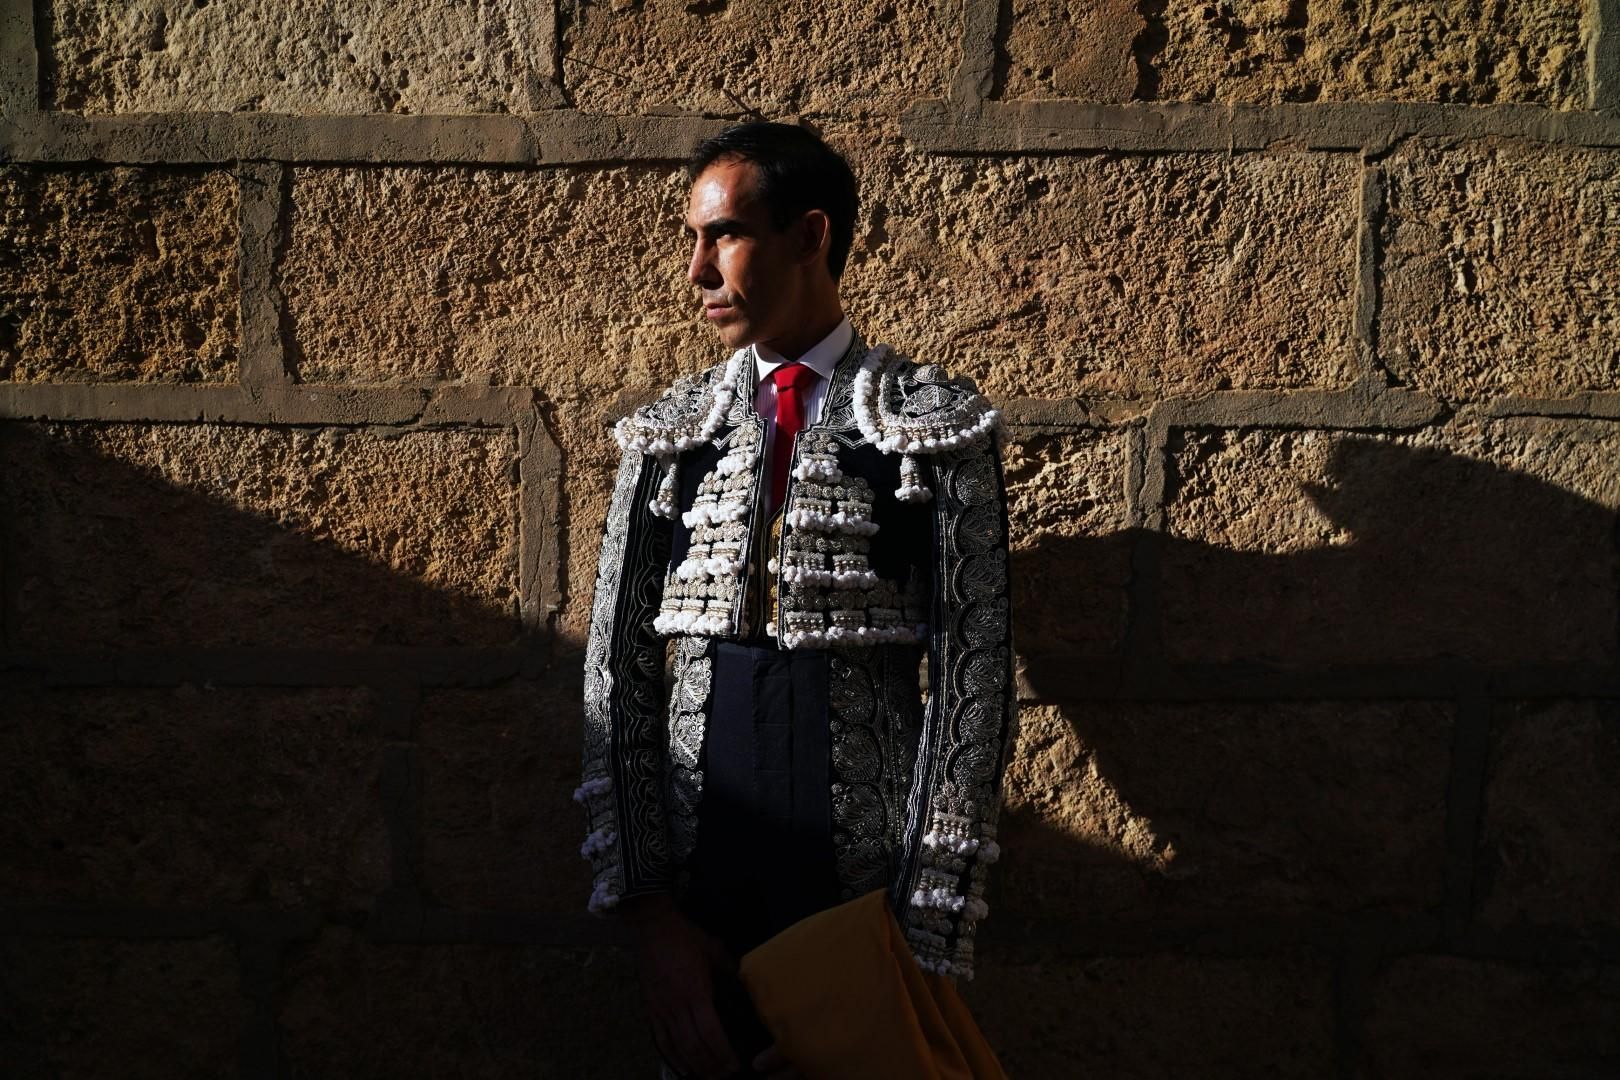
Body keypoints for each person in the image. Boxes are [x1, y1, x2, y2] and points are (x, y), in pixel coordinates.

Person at [574, 122, 1016, 1080]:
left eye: (724, 235)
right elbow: (619, 675)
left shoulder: (932, 424)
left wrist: (918, 922)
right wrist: (651, 914)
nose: (697, 270)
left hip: (865, 882)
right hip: (702, 876)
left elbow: (975, 674)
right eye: (693, 239)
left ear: (811, 236)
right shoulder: (669, 432)